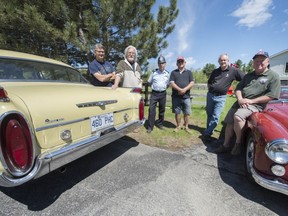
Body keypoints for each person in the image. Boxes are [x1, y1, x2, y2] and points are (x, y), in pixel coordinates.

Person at [215, 50, 281, 155]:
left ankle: (238, 144)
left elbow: (271, 95)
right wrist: (240, 99)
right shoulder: (248, 75)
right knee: (229, 122)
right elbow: (238, 89)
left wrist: (251, 101)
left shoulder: (273, 76)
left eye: (262, 60)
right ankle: (226, 145)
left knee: (238, 117)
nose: (259, 63)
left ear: (268, 61)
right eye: (256, 61)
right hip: (241, 102)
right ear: (253, 63)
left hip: (255, 105)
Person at [202, 54, 244, 141]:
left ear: (228, 61)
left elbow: (245, 78)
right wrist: (211, 89)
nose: (223, 62)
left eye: (225, 60)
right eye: (221, 60)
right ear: (218, 61)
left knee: (216, 116)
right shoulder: (215, 71)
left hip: (221, 97)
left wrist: (240, 89)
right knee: (209, 114)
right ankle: (209, 131)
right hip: (210, 95)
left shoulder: (233, 71)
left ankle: (207, 133)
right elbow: (209, 82)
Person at [169, 56, 194, 133]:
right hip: (176, 96)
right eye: (179, 62)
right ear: (177, 63)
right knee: (177, 112)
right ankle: (178, 126)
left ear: (185, 63)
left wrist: (184, 89)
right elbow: (172, 83)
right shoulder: (173, 72)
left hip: (186, 97)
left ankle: (186, 126)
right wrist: (180, 90)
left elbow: (192, 83)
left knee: (187, 112)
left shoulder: (189, 72)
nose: (180, 63)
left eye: (182, 61)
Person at [146, 55, 170, 133]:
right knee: (151, 110)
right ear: (158, 64)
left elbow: (168, 84)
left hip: (163, 94)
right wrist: (155, 87)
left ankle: (160, 124)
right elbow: (149, 82)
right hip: (154, 94)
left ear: (165, 64)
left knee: (162, 110)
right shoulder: (154, 73)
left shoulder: (167, 74)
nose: (161, 64)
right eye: (160, 63)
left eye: (163, 63)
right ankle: (150, 127)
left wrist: (162, 88)